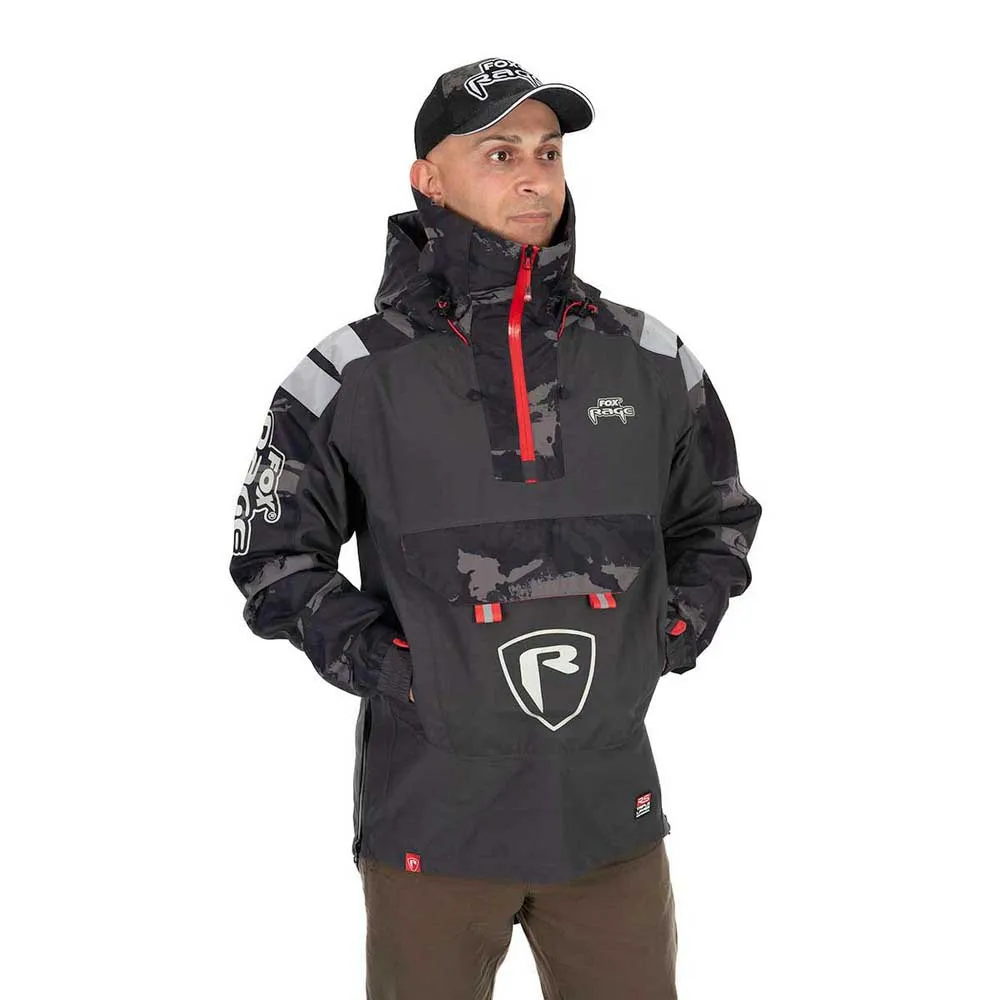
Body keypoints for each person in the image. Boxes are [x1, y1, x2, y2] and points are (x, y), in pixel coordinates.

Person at [229, 56, 761, 1000]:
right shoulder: (351, 374)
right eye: (500, 153)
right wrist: (404, 671)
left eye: (549, 153)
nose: (534, 178)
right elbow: (272, 557)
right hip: (432, 822)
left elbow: (716, 518)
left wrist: (669, 632)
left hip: (609, 817)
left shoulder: (649, 358)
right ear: (428, 179)